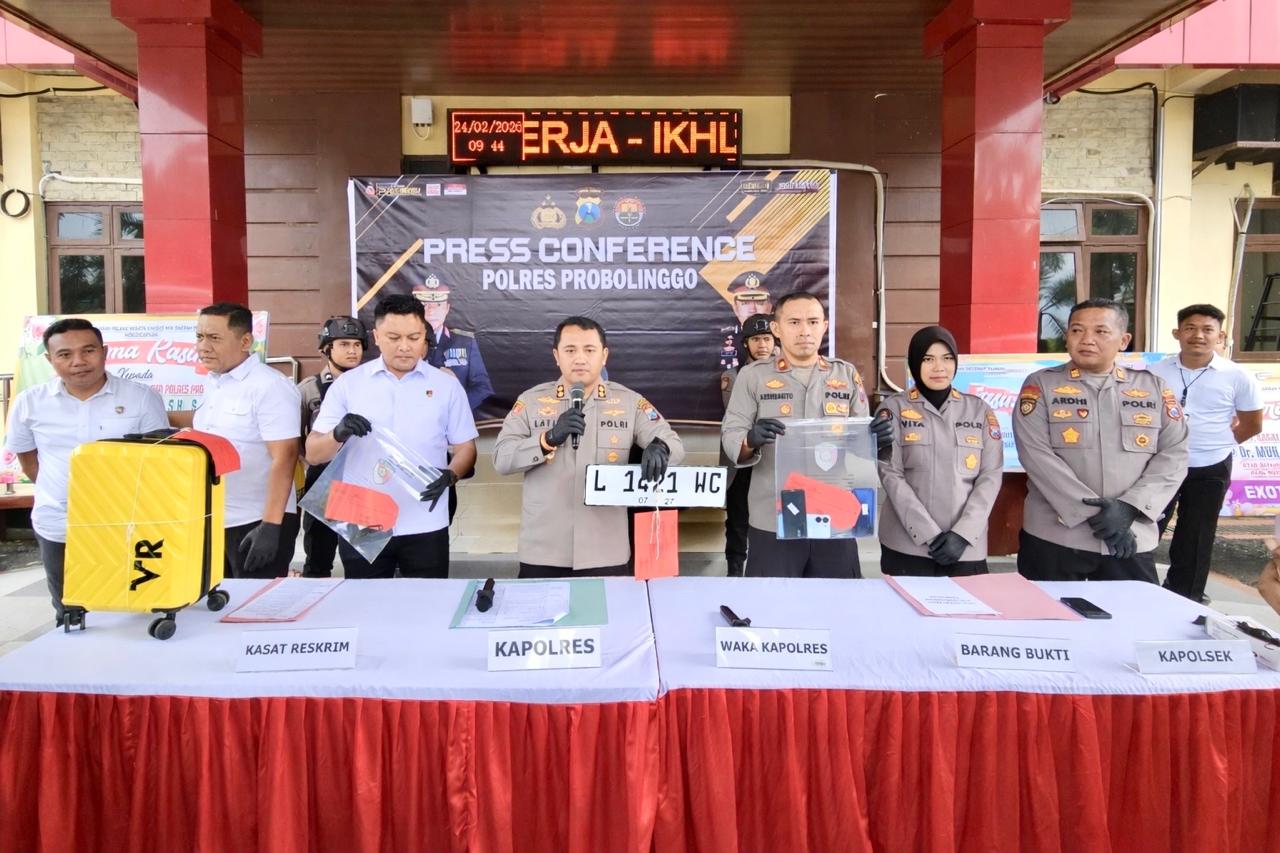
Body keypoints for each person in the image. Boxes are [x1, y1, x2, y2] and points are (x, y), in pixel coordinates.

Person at [4, 318, 169, 624]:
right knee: (71, 612)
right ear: (49, 360)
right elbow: (29, 459)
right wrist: (63, 490)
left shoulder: (141, 398)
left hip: (125, 524)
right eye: (65, 354)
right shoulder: (30, 402)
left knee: (131, 610)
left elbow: (158, 461)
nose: (78, 361)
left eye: (88, 351)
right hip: (58, 523)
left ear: (104, 352)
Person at [1013, 298, 1189, 583]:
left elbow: (1175, 454)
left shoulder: (1153, 388)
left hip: (1129, 537)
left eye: (1101, 331)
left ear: (1124, 340)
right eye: (1077, 330)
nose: (1087, 339)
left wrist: (1129, 509)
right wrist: (1099, 516)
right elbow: (1036, 455)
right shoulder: (1041, 385)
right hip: (1057, 535)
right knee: (1049, 611)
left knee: (1131, 611)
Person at [494, 316, 684, 578]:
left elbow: (674, 443)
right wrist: (547, 439)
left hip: (606, 550)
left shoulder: (629, 402)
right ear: (556, 356)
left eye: (589, 350)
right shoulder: (531, 401)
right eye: (570, 350)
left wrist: (660, 448)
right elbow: (501, 459)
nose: (580, 358)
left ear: (604, 355)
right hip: (544, 550)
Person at [306, 294, 477, 578]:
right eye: (394, 338)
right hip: (362, 518)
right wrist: (338, 433)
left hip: (425, 518)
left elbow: (466, 448)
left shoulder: (446, 386)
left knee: (428, 599)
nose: (404, 347)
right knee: (366, 599)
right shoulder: (349, 385)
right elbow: (313, 453)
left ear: (424, 336)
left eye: (414, 337)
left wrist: (451, 474)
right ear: (376, 337)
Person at [720, 291, 888, 578]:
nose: (805, 331)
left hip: (834, 512)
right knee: (772, 601)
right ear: (776, 328)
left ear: (824, 326)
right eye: (794, 322)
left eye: (812, 322)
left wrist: (877, 439)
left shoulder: (845, 375)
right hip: (773, 515)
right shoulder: (753, 376)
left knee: (836, 600)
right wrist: (750, 439)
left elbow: (860, 442)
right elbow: (731, 434)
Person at [1148, 304, 1263, 603]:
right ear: (1177, 333)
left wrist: (1218, 443)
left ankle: (1185, 597)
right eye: (1190, 328)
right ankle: (1139, 588)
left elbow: (1252, 424)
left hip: (1211, 465)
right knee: (1146, 528)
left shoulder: (1238, 376)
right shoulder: (1154, 373)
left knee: (1197, 535)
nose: (1198, 335)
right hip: (1160, 464)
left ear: (1220, 336)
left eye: (1207, 330)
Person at [875, 326, 1004, 576]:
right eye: (928, 359)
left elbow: (991, 475)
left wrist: (963, 534)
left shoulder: (979, 410)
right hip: (907, 546)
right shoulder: (893, 409)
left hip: (966, 547)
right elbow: (891, 475)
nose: (939, 368)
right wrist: (928, 534)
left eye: (946, 358)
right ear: (914, 362)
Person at [189, 303, 302, 579]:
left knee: (256, 603)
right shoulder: (214, 383)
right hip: (216, 519)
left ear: (245, 341)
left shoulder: (270, 385)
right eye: (199, 337)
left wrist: (271, 525)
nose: (203, 346)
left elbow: (285, 456)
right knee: (219, 601)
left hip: (258, 522)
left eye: (214, 338)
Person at [297, 315, 368, 578]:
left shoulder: (372, 385)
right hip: (322, 478)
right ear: (327, 348)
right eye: (344, 344)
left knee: (364, 558)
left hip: (362, 479)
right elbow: (297, 440)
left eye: (357, 344)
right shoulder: (309, 389)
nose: (352, 351)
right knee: (318, 557)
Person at [720, 314, 777, 576]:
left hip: (776, 456)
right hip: (742, 457)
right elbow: (739, 418)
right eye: (756, 340)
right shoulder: (733, 376)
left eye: (767, 339)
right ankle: (734, 571)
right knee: (738, 519)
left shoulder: (788, 373)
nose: (762, 345)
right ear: (745, 343)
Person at [416, 274, 494, 411]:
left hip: (456, 419)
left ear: (447, 309)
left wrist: (457, 407)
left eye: (438, 305)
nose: (431, 310)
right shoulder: (405, 344)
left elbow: (483, 387)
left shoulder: (465, 342)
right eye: (424, 304)